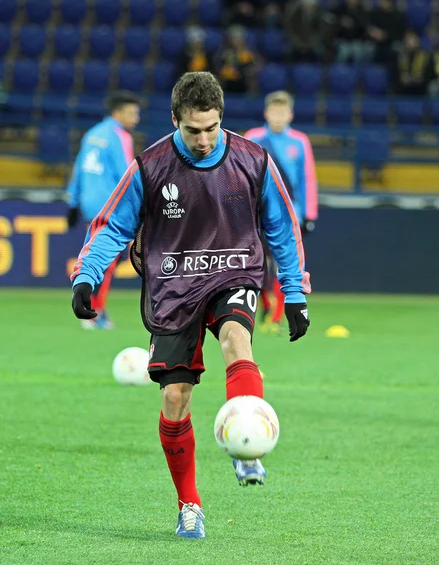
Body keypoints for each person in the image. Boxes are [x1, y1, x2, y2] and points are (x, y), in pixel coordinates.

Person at [70, 72, 311, 539]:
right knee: (175, 398)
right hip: (174, 285)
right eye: (192, 130)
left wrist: (295, 294)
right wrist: (87, 275)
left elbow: (283, 227)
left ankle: (248, 443)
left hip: (233, 272)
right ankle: (189, 505)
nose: (203, 140)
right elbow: (112, 226)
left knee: (238, 341)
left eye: (212, 128)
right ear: (175, 119)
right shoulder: (151, 165)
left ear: (222, 118)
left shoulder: (253, 160)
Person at [66, 90, 140, 329]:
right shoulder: (120, 136)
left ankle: (96, 307)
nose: (136, 119)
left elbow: (78, 169)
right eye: (132, 113)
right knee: (106, 261)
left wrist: (72, 201)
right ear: (118, 113)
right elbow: (126, 174)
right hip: (110, 205)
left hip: (89, 204)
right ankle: (95, 311)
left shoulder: (92, 134)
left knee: (100, 257)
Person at [244, 91, 317, 333]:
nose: (278, 116)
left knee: (284, 264)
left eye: (282, 112)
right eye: (274, 112)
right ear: (266, 113)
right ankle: (265, 305)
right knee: (257, 264)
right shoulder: (252, 138)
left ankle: (275, 316)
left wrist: (309, 214)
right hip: (256, 213)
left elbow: (307, 179)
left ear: (290, 115)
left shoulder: (299, 142)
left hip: (288, 215)